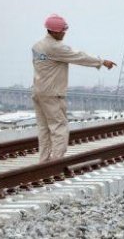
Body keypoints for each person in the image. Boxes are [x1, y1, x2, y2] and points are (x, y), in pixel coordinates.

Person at [32, 14, 116, 163]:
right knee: (59, 127)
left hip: (38, 92)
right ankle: (56, 162)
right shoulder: (55, 48)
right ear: (54, 31)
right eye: (62, 31)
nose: (64, 33)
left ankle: (43, 161)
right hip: (53, 94)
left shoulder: (37, 47)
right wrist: (101, 61)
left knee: (44, 129)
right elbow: (79, 56)